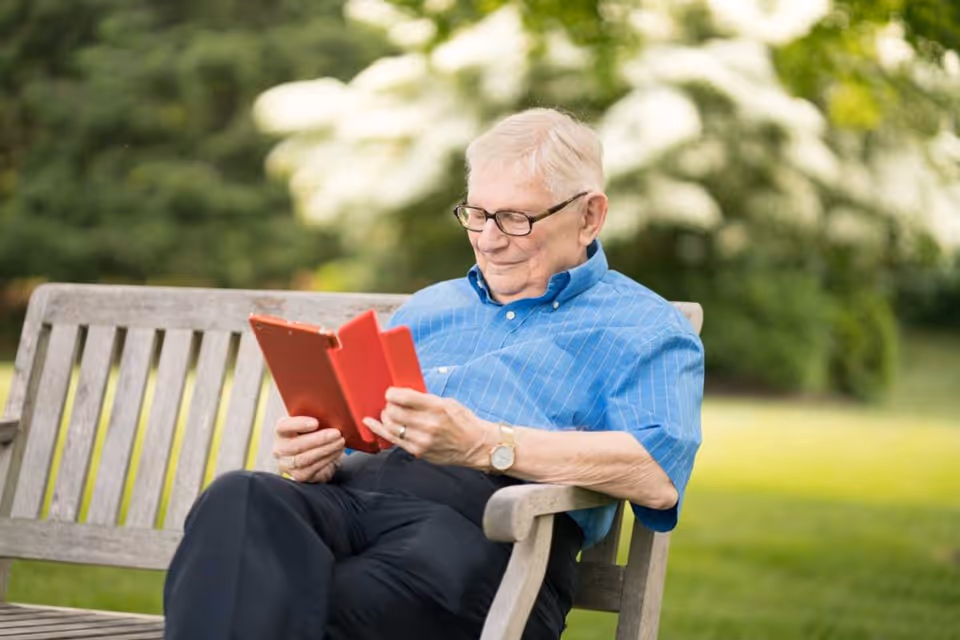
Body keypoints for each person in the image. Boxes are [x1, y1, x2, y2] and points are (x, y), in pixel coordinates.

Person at [163, 108, 704, 640]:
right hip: (352, 500)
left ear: (589, 216)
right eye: (477, 214)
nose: (489, 239)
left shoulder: (645, 327)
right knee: (241, 497)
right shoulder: (428, 308)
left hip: (488, 531)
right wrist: (320, 452)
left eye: (517, 219)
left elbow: (654, 475)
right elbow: (366, 429)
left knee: (293, 602)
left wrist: (487, 444)